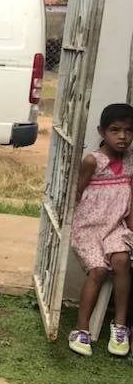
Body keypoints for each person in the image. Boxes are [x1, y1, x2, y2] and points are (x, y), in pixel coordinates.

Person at [67, 103, 133, 358]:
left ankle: (120, 326)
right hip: (89, 228)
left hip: (116, 227)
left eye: (128, 131)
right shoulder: (92, 161)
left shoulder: (130, 162)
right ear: (102, 131)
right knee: (98, 270)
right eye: (115, 130)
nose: (122, 136)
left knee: (121, 260)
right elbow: (77, 194)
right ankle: (81, 328)